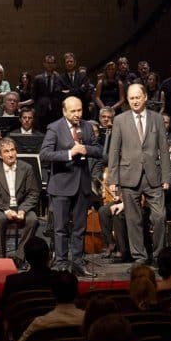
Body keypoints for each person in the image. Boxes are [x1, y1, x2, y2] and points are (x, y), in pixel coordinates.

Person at [108, 83, 171, 265]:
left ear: (145, 97)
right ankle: (140, 257)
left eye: (137, 97)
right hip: (129, 176)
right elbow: (114, 151)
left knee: (159, 217)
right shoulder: (120, 120)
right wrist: (113, 179)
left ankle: (159, 255)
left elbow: (164, 150)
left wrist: (166, 176)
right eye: (131, 98)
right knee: (133, 220)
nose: (135, 101)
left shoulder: (157, 119)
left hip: (153, 177)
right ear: (127, 100)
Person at [40, 97, 103, 276]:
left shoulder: (88, 127)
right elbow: (44, 154)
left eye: (79, 110)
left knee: (80, 228)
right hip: (61, 185)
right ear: (64, 111)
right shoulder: (55, 128)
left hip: (82, 185)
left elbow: (99, 151)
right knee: (60, 228)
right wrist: (70, 153)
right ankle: (61, 262)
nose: (77, 114)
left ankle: (77, 262)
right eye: (73, 111)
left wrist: (85, 149)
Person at [0, 137, 41, 268]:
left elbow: (33, 193)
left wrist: (23, 210)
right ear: (0, 155)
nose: (10, 154)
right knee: (0, 220)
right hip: (1, 208)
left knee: (33, 220)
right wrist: (7, 210)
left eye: (12, 150)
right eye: (6, 151)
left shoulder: (27, 168)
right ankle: (1, 257)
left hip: (21, 206)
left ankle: (20, 257)